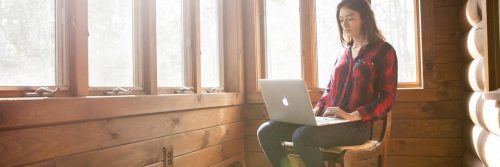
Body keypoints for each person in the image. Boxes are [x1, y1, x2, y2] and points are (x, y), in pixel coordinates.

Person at [256, 0, 398, 166]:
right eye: (341, 19)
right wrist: (316, 110)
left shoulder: (384, 51)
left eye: (350, 18)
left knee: (302, 136)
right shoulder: (343, 54)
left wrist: (354, 115)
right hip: (328, 122)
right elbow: (330, 90)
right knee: (266, 131)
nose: (344, 23)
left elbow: (387, 98)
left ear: (365, 18)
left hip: (356, 127)